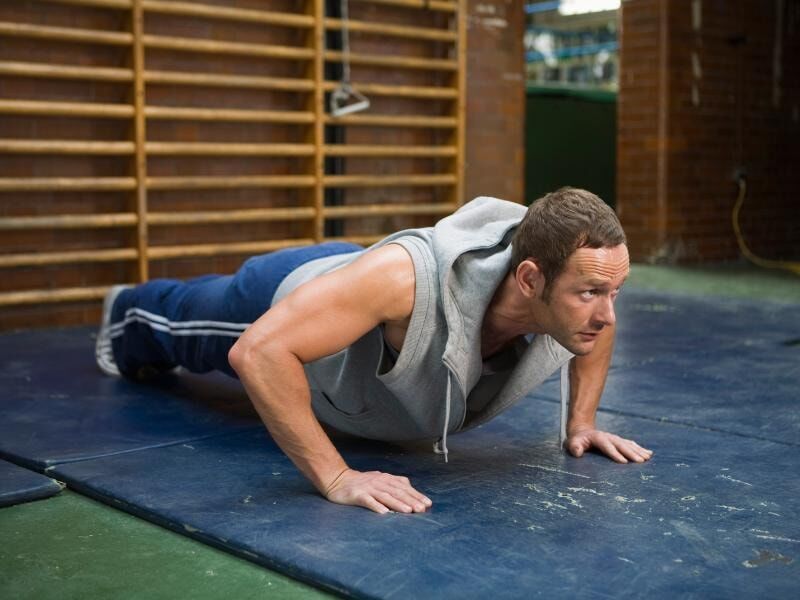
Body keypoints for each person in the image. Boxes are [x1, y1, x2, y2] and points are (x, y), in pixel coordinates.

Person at [95, 187, 652, 514]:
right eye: (590, 293)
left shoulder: (582, 299)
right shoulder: (405, 281)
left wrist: (581, 423)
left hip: (355, 292)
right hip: (287, 291)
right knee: (183, 322)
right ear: (530, 279)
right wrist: (336, 478)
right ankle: (126, 309)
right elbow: (259, 353)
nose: (606, 312)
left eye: (613, 291)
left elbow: (598, 329)